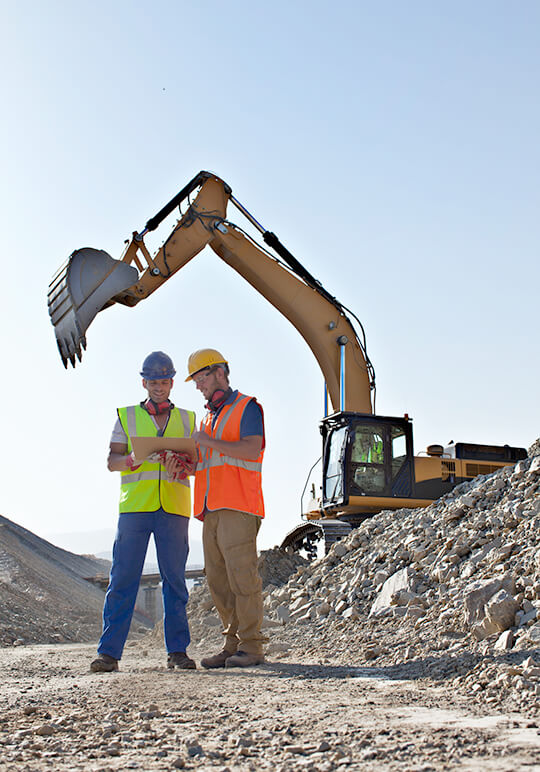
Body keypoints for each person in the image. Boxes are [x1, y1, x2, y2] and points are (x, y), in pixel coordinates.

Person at [90, 351, 197, 673]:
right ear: (144, 383)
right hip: (135, 508)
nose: (159, 387)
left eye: (164, 381)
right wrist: (132, 461)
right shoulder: (126, 417)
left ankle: (177, 652)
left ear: (172, 382)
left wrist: (180, 465)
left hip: (174, 509)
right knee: (122, 579)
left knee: (175, 582)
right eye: (153, 382)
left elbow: (195, 464)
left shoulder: (189, 419)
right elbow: (112, 461)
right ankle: (108, 654)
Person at [183, 348, 266, 668]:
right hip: (212, 508)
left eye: (201, 378)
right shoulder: (208, 417)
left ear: (220, 373)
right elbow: (210, 463)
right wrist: (185, 465)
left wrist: (208, 442)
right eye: (195, 380)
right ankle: (233, 645)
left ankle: (252, 647)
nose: (198, 385)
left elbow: (251, 447)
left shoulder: (247, 407)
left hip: (239, 505)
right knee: (218, 580)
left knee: (243, 578)